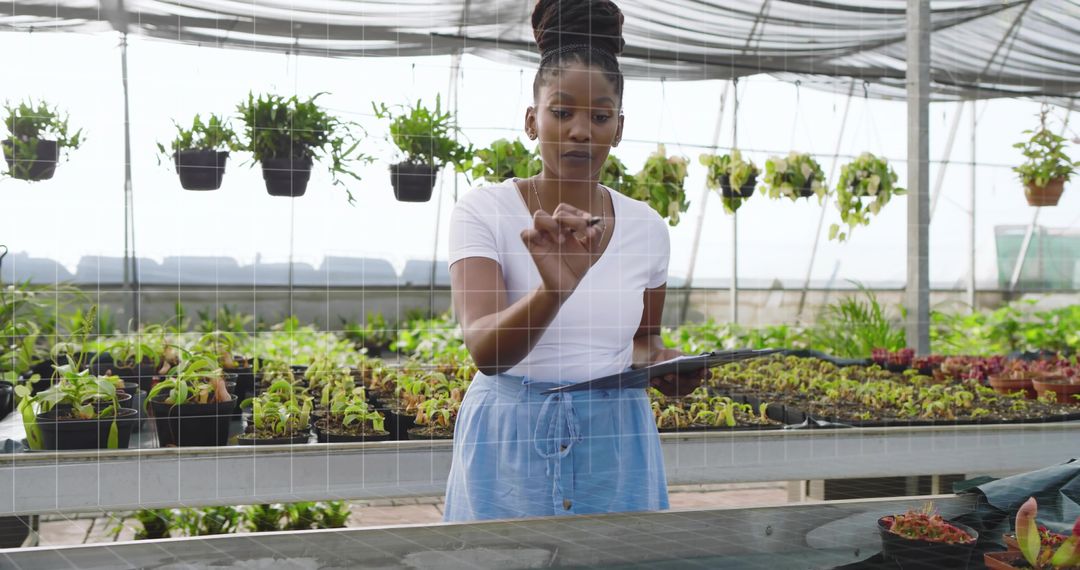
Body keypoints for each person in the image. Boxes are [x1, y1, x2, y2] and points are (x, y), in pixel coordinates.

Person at [443, 0, 701, 522]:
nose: (581, 130)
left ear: (619, 128)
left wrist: (666, 365)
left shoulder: (647, 227)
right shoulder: (484, 212)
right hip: (508, 440)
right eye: (562, 112)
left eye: (600, 116)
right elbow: (486, 352)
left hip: (616, 440)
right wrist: (552, 291)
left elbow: (643, 339)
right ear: (532, 122)